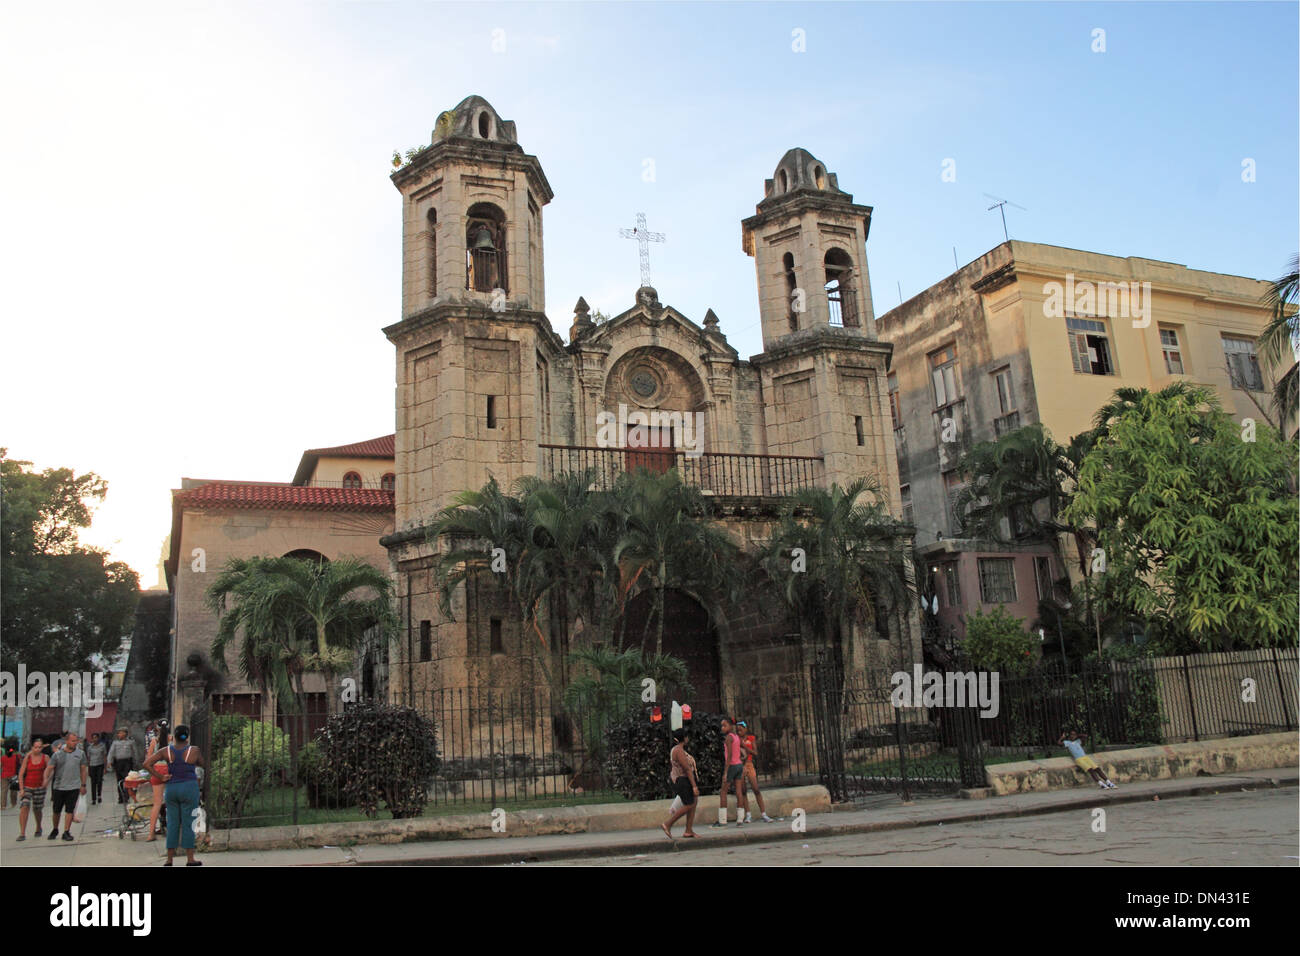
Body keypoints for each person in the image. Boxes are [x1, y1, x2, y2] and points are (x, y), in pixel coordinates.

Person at [143, 724, 204, 866]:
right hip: (189, 787)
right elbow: (202, 764)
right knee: (188, 823)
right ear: (187, 737)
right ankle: (190, 859)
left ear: (174, 737)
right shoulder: (193, 750)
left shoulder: (166, 751)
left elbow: (146, 763)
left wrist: (161, 776)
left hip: (171, 788)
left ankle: (169, 859)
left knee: (172, 823)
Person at [44, 732, 88, 842]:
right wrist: (45, 779)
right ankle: (55, 829)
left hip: (73, 786)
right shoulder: (58, 754)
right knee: (56, 810)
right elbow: (49, 768)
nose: (75, 743)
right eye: (72, 741)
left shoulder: (81, 754)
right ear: (67, 741)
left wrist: (83, 784)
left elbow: (83, 769)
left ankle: (66, 831)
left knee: (70, 810)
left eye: (76, 740)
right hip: (59, 787)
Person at [661, 728, 699, 839]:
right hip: (682, 780)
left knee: (694, 802)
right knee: (689, 804)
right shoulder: (678, 750)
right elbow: (687, 769)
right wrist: (694, 786)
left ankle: (689, 830)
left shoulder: (680, 749)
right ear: (684, 738)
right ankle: (668, 824)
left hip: (685, 780)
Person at [735, 719, 774, 823]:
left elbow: (755, 752)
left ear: (745, 729)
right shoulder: (736, 739)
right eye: (738, 729)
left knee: (756, 789)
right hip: (740, 765)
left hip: (749, 764)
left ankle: (763, 813)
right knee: (743, 791)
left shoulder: (751, 738)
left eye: (741, 729)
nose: (739, 731)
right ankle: (748, 814)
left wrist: (745, 747)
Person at [711, 717, 747, 828]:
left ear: (731, 726)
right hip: (739, 765)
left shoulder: (728, 738)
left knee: (723, 792)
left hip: (731, 766)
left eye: (724, 725)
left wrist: (725, 772)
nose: (722, 728)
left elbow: (729, 756)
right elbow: (743, 753)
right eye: (722, 725)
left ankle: (722, 820)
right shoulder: (736, 737)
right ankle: (740, 819)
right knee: (739, 791)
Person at [16, 738, 49, 841]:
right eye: (35, 747)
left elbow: (50, 770)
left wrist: (46, 780)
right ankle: (22, 833)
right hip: (27, 786)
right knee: (24, 806)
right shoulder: (28, 757)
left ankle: (38, 826)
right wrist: (21, 789)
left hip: (39, 787)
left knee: (37, 809)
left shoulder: (45, 758)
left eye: (40, 747)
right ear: (32, 748)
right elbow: (21, 774)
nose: (37, 749)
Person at [144, 726, 169, 841]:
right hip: (170, 771)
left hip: (157, 770)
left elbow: (148, 759)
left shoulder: (154, 741)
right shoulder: (172, 739)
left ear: (157, 730)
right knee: (172, 802)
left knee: (157, 803)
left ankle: (151, 833)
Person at [108, 729, 136, 803]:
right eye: (118, 733)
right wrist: (109, 761)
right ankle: (120, 797)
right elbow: (111, 752)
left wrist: (136, 761)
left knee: (127, 779)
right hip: (119, 762)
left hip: (128, 762)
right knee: (119, 780)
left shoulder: (130, 742)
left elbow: (134, 752)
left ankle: (127, 796)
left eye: (120, 733)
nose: (119, 735)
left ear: (125, 733)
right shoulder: (115, 743)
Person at [86, 733, 108, 804]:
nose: (95, 739)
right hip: (92, 765)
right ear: (91, 739)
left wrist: (105, 767)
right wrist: (88, 768)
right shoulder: (89, 747)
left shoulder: (102, 746)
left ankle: (99, 795)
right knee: (93, 782)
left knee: (99, 781)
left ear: (98, 738)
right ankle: (93, 798)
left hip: (100, 765)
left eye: (96, 737)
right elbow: (88, 758)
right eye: (93, 738)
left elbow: (104, 756)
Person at [1, 741, 19, 810]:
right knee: (13, 790)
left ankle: (3, 805)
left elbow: (1, 766)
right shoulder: (16, 757)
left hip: (4, 776)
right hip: (13, 776)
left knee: (4, 791)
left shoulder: (3, 758)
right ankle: (13, 804)